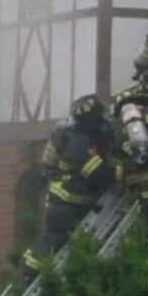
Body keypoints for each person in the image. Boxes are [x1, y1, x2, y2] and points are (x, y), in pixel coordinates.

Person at [22, 94, 124, 279]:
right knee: (54, 243)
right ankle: (31, 276)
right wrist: (124, 172)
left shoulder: (73, 134)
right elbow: (98, 174)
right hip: (69, 206)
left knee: (49, 241)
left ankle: (29, 275)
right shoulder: (80, 144)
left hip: (62, 201)